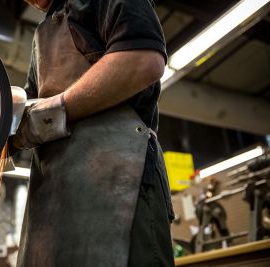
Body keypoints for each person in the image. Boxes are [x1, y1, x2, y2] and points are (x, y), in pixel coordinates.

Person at [10, 0, 175, 266]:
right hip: (55, 197)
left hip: (121, 182)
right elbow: (25, 111)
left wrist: (45, 116)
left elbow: (143, 60)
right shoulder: (43, 33)